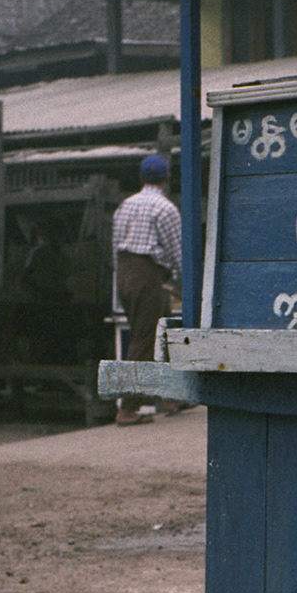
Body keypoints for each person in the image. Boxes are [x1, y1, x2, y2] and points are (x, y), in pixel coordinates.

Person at [110, 153, 180, 425]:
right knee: (145, 337)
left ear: (140, 178)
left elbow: (115, 247)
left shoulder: (125, 205)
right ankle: (128, 408)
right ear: (167, 177)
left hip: (125, 272)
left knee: (161, 331)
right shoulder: (166, 208)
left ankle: (172, 395)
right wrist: (184, 281)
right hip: (147, 272)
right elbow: (176, 251)